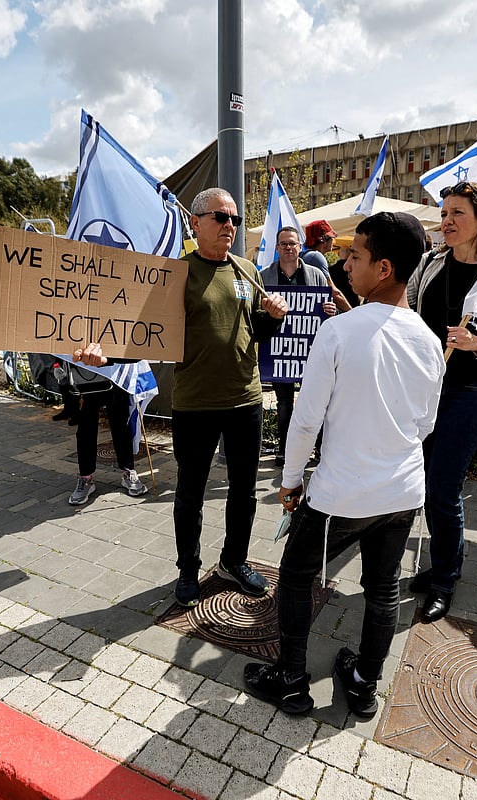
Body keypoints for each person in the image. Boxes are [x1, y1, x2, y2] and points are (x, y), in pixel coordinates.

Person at [243, 211, 444, 718]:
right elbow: (424, 424)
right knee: (382, 587)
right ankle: (364, 681)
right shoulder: (428, 340)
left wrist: (290, 483)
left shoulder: (338, 332)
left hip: (341, 493)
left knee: (294, 576)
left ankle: (291, 679)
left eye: (355, 256)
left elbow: (305, 422)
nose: (344, 264)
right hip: (401, 492)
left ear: (383, 267)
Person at [77, 188, 290, 607]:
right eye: (220, 217)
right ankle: (188, 570)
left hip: (245, 401)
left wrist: (274, 320)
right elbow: (146, 334)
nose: (230, 225)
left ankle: (234, 560)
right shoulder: (177, 273)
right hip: (195, 405)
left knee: (244, 491)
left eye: (234, 219)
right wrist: (106, 355)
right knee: (190, 492)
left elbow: (254, 333)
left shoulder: (247, 270)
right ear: (196, 223)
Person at [405, 182, 477, 623]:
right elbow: (408, 308)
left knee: (442, 487)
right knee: (423, 483)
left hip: (468, 393)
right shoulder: (430, 263)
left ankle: (444, 578)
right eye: (444, 212)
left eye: (457, 213)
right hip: (425, 389)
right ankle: (442, 558)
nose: (446, 221)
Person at [258, 226, 336, 466]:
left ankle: (320, 450)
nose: (288, 248)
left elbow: (325, 310)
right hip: (279, 351)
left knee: (315, 401)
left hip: (309, 351)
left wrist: (331, 311)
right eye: (283, 244)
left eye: (292, 243)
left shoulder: (317, 275)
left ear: (300, 246)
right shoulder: (264, 276)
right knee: (283, 403)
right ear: (277, 248)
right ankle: (284, 450)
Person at [61, 344, 149, 506]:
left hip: (114, 374)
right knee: (86, 428)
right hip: (83, 375)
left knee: (121, 424)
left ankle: (128, 470)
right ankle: (85, 477)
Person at [328, 235, 359, 311]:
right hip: (352, 305)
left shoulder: (329, 270)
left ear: (338, 254)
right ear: (350, 255)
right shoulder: (356, 270)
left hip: (334, 307)